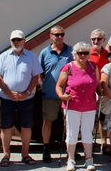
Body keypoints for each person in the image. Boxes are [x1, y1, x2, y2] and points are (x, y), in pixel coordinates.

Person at [0, 30, 43, 167]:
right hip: (6, 98)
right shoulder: (3, 56)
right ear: (10, 41)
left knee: (26, 127)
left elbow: (35, 77)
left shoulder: (32, 56)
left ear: (24, 41)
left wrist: (26, 92)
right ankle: (6, 155)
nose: (16, 42)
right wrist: (8, 93)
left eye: (19, 39)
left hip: (26, 98)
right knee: (6, 127)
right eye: (14, 40)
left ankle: (25, 154)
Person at [56, 42, 101, 171]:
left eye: (85, 53)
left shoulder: (93, 66)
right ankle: (70, 160)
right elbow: (59, 85)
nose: (82, 55)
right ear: (74, 54)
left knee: (87, 133)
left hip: (89, 105)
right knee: (72, 133)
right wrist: (62, 96)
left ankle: (89, 159)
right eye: (79, 53)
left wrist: (100, 93)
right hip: (72, 105)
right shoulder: (68, 67)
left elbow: (97, 84)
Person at [38, 25, 73, 163]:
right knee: (48, 122)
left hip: (68, 95)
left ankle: (71, 149)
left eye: (61, 34)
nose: (59, 37)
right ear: (50, 36)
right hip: (50, 95)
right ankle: (46, 149)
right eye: (56, 34)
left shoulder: (70, 51)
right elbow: (40, 73)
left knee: (69, 122)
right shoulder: (44, 53)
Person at [88, 29, 110, 154]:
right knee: (89, 118)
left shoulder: (108, 54)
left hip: (104, 90)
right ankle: (89, 141)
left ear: (104, 40)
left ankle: (104, 142)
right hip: (89, 91)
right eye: (93, 39)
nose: (96, 41)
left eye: (99, 39)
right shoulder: (86, 53)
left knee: (103, 118)